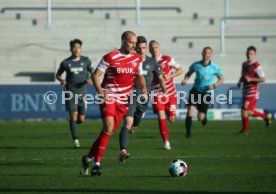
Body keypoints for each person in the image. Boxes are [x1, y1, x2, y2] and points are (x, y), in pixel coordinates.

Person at [80, 31, 147, 176]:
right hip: (109, 96)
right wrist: (100, 92)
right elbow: (96, 75)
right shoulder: (110, 56)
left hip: (124, 101)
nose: (134, 45)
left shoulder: (137, 58)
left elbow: (140, 76)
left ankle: (87, 158)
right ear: (123, 41)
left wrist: (144, 90)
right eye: (131, 42)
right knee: (109, 127)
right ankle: (97, 164)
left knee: (107, 132)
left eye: (135, 43)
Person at [118, 36, 166, 162]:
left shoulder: (152, 62)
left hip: (144, 99)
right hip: (131, 95)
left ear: (147, 48)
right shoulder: (130, 60)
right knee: (128, 122)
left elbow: (160, 78)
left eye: (144, 48)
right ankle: (123, 150)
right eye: (139, 48)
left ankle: (129, 133)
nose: (142, 50)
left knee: (133, 127)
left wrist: (164, 91)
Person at [56, 39, 93, 148]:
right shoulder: (66, 63)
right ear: (70, 49)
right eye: (74, 48)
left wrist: (89, 79)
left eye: (78, 48)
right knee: (73, 115)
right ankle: (75, 139)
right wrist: (61, 80)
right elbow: (58, 74)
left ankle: (73, 123)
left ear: (81, 49)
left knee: (81, 119)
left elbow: (93, 72)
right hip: (70, 92)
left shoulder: (86, 60)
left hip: (82, 93)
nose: (76, 50)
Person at [181, 47, 224, 138]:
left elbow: (221, 79)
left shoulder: (214, 67)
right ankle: (188, 133)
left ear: (211, 55)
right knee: (190, 111)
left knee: (200, 117)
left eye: (208, 53)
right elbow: (189, 73)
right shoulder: (196, 65)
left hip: (206, 93)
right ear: (202, 53)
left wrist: (214, 85)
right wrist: (185, 79)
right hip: (195, 91)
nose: (206, 54)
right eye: (205, 52)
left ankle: (204, 117)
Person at [149, 40, 183, 150]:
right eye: (152, 48)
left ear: (159, 48)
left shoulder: (167, 59)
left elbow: (180, 69)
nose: (154, 49)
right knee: (161, 115)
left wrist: (169, 76)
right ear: (149, 50)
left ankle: (170, 114)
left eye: (156, 47)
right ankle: (166, 142)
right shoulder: (147, 63)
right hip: (157, 93)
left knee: (172, 119)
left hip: (170, 93)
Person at [237, 46, 272, 134]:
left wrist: (251, 80)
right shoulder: (244, 64)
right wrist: (239, 81)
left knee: (245, 110)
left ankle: (245, 131)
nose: (249, 55)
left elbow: (263, 79)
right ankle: (266, 117)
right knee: (246, 111)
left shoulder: (256, 65)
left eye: (251, 54)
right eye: (248, 53)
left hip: (253, 91)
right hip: (245, 90)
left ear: (254, 55)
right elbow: (243, 75)